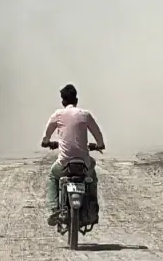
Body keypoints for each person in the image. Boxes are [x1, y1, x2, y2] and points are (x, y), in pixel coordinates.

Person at [40, 83, 105, 226]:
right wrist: (99, 145)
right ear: (76, 100)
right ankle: (92, 209)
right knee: (92, 177)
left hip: (64, 164)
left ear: (63, 101)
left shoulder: (58, 115)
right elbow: (98, 134)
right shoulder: (85, 115)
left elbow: (46, 135)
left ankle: (54, 208)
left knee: (52, 176)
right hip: (83, 164)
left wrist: (46, 142)